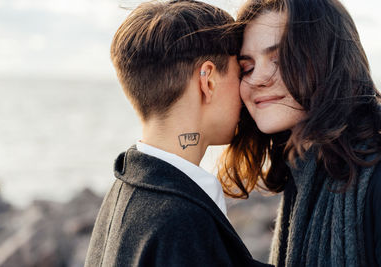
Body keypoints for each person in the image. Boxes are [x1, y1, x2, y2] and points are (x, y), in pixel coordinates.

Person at [84, 1, 272, 266]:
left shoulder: (122, 193)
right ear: (207, 80)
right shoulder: (180, 220)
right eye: (241, 72)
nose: (248, 87)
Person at [218, 0, 381, 266]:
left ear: (330, 60)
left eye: (280, 59)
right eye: (247, 67)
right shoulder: (302, 174)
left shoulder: (374, 180)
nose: (257, 78)